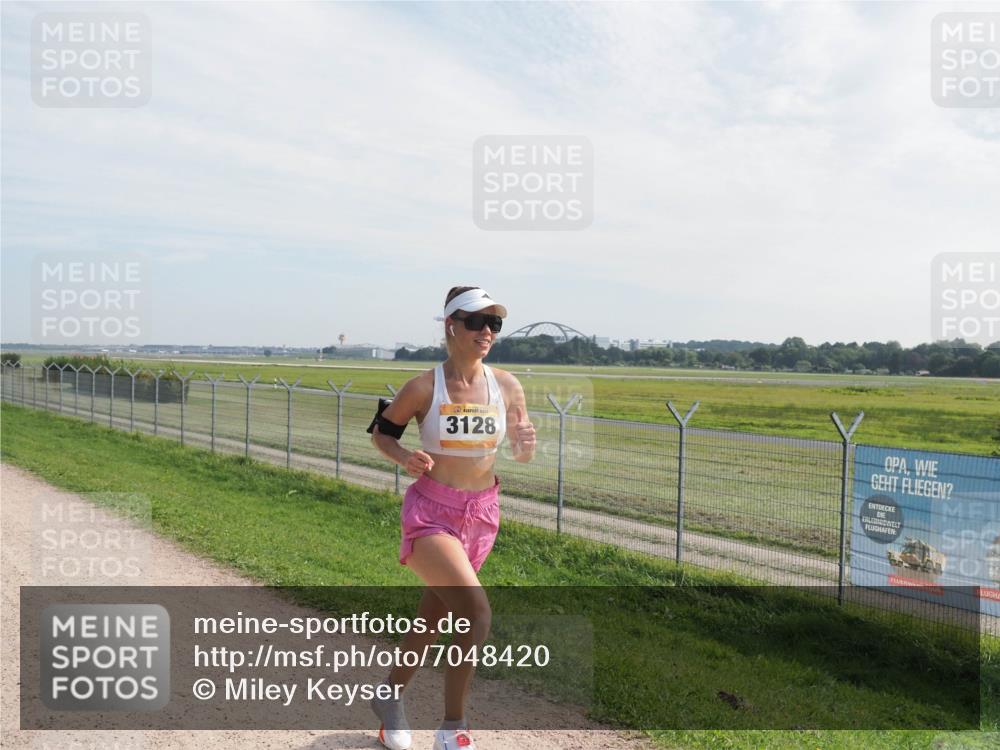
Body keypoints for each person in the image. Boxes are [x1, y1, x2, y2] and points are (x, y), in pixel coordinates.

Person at [368, 286, 536, 750]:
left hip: (482, 515)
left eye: (495, 324)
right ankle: (453, 727)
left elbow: (521, 455)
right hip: (431, 514)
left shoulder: (507, 385)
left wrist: (525, 441)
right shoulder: (424, 386)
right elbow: (381, 434)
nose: (487, 332)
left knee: (432, 619)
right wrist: (404, 456)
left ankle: (389, 696)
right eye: (477, 322)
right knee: (475, 612)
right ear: (451, 326)